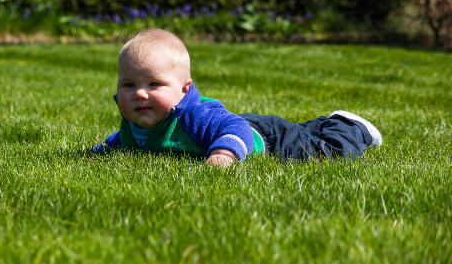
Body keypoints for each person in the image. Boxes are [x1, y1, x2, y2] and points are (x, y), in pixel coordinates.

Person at [92, 28, 382, 166]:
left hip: (265, 140)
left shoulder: (195, 115)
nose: (140, 93)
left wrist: (225, 153)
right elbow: (126, 141)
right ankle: (320, 123)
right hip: (235, 128)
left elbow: (237, 129)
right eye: (128, 84)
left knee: (322, 155)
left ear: (184, 89)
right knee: (304, 132)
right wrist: (100, 150)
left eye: (154, 84)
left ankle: (349, 126)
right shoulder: (135, 120)